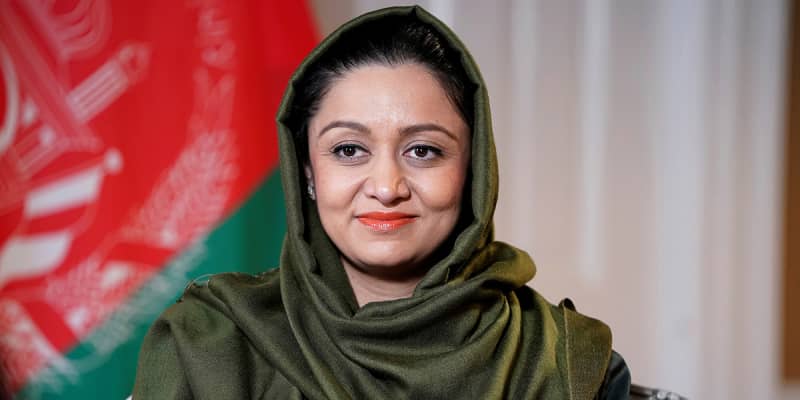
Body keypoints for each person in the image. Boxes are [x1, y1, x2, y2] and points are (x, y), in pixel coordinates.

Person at [133, 5, 631, 399]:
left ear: (474, 170)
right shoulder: (209, 342)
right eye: (349, 150)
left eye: (423, 151)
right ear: (307, 173)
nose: (388, 187)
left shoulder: (572, 363)